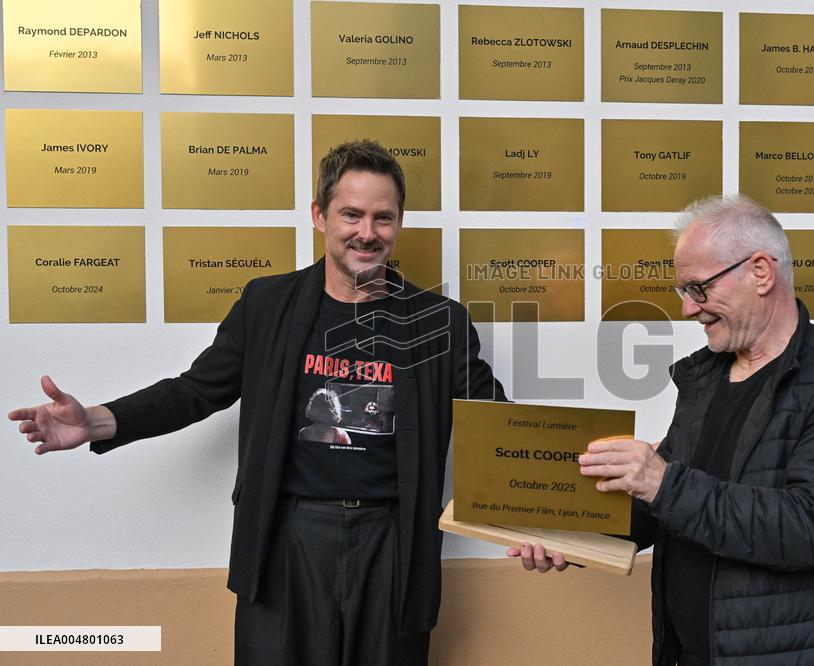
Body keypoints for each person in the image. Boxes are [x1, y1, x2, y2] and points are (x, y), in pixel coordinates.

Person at [9, 140, 505, 665]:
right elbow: (195, 390)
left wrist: (543, 520)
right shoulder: (267, 305)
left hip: (394, 544)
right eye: (351, 214)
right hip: (285, 539)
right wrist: (96, 421)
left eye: (383, 218)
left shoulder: (438, 322)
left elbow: (495, 429)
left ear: (399, 222)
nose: (367, 233)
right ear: (320, 216)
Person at [510, 195, 814, 666]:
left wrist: (660, 479)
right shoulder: (705, 378)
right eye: (683, 292)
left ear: (760, 272)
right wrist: (574, 535)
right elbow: (668, 508)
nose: (689, 309)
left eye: (699, 288)